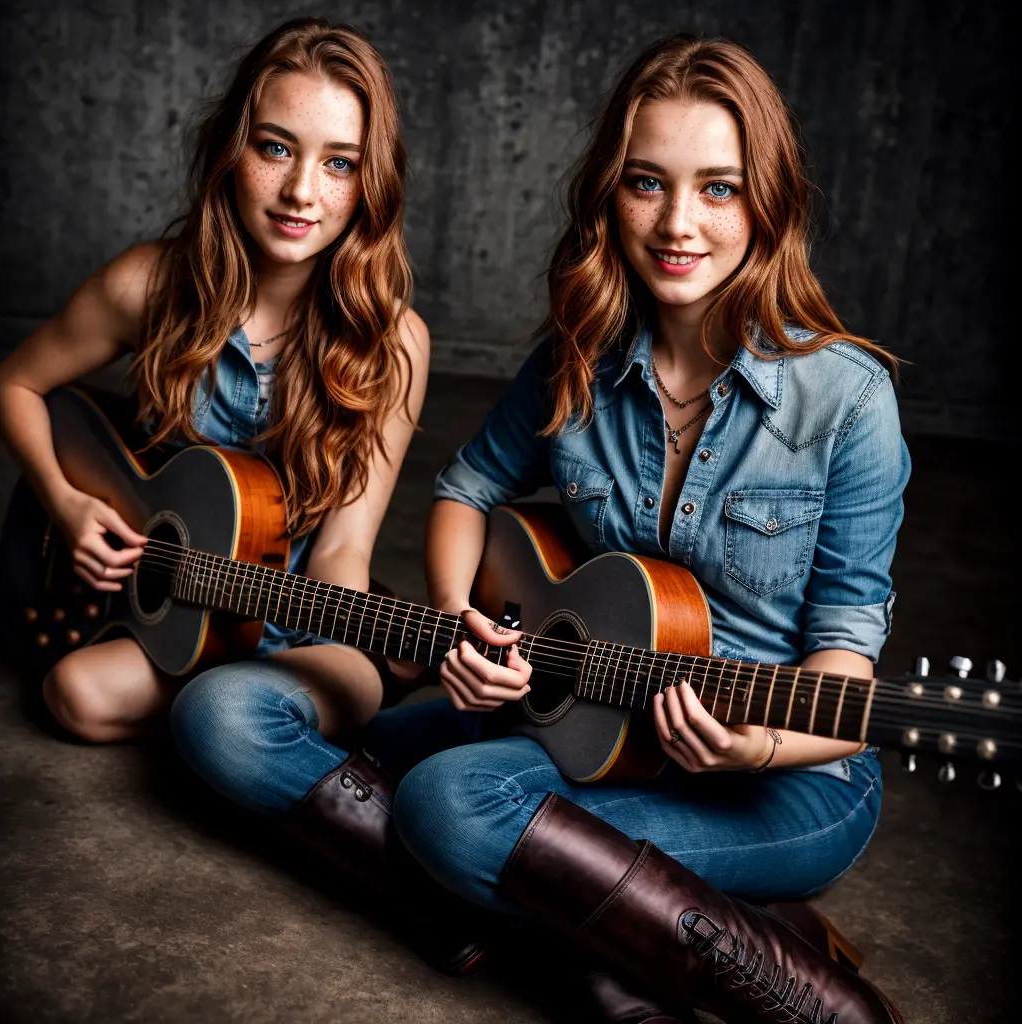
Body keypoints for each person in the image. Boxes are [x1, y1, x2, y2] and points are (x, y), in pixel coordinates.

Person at [171, 34, 909, 1023]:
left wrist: (754, 746)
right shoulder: (579, 356)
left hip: (781, 779)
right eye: (647, 183)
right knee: (221, 719)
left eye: (718, 189)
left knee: (448, 801)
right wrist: (455, 623)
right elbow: (466, 491)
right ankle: (606, 933)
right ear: (610, 192)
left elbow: (846, 669)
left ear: (766, 201)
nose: (678, 222)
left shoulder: (849, 400)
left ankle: (758, 963)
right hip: (575, 721)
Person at [0, 19, 428, 762]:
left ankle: (252, 710)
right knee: (73, 695)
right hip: (165, 596)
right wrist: (67, 505)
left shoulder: (394, 344)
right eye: (275, 148)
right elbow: (16, 381)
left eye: (340, 164)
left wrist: (345, 623)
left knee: (351, 686)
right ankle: (247, 723)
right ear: (233, 150)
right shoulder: (149, 283)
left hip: (293, 607)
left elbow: (343, 553)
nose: (301, 190)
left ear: (371, 182)